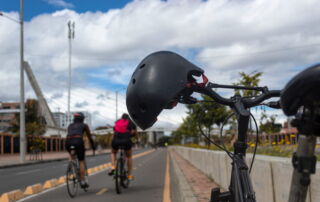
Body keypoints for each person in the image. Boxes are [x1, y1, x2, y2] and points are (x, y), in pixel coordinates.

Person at [65, 112, 95, 188]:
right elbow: (89, 137)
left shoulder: (70, 125)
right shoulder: (84, 125)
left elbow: (70, 134)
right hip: (78, 141)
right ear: (82, 119)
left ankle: (71, 165)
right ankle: (82, 181)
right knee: (81, 160)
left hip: (68, 142)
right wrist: (93, 146)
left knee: (72, 154)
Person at [109, 113, 137, 180]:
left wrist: (112, 143)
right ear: (128, 118)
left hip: (116, 140)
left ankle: (113, 166)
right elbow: (135, 133)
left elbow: (114, 133)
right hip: (126, 141)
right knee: (129, 156)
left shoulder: (117, 122)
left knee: (113, 153)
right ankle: (129, 175)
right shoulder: (131, 123)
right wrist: (136, 140)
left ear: (121, 118)